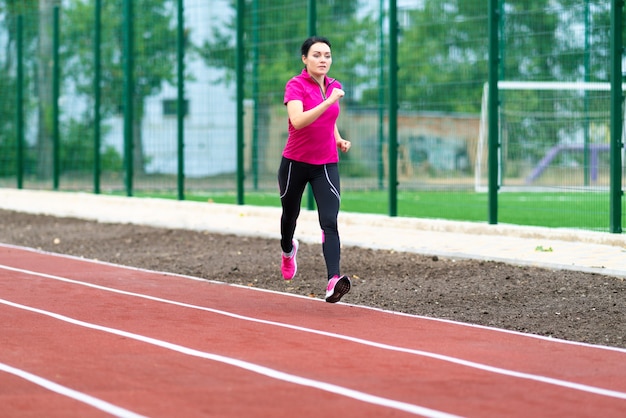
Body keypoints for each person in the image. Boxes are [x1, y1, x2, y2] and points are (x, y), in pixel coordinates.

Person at [278, 36, 352, 304]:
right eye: (317, 55)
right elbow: (298, 121)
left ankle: (333, 280)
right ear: (305, 59)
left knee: (330, 221)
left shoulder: (334, 86)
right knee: (290, 216)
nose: (323, 60)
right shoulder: (295, 85)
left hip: (325, 164)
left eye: (327, 55)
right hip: (295, 164)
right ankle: (288, 250)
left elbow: (327, 121)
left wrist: (338, 138)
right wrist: (329, 100)